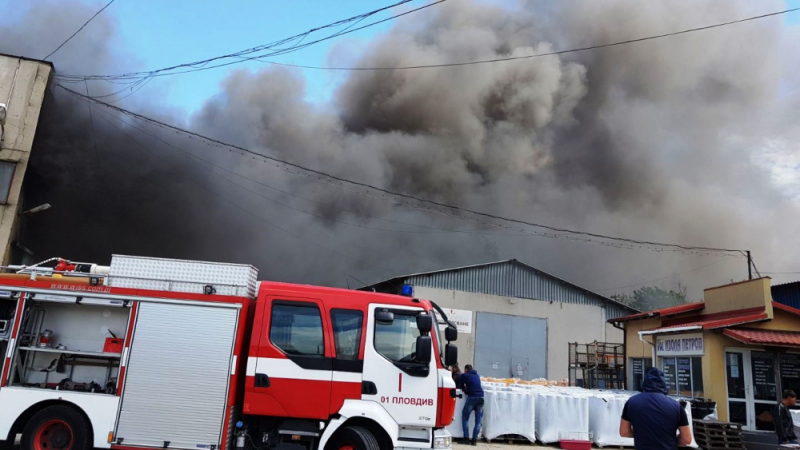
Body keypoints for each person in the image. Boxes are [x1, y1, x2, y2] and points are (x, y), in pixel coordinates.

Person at [619, 368, 692, 450]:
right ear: (664, 383)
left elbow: (624, 432)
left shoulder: (631, 403)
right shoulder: (676, 406)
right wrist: (670, 440)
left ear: (645, 383)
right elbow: (686, 439)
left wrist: (643, 435)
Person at [458, 364, 484, 446]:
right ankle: (474, 440)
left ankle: (466, 438)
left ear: (466, 369)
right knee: (478, 421)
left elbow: (460, 386)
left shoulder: (465, 375)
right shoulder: (477, 375)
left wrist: (466, 391)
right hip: (481, 397)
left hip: (472, 397)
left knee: (465, 417)